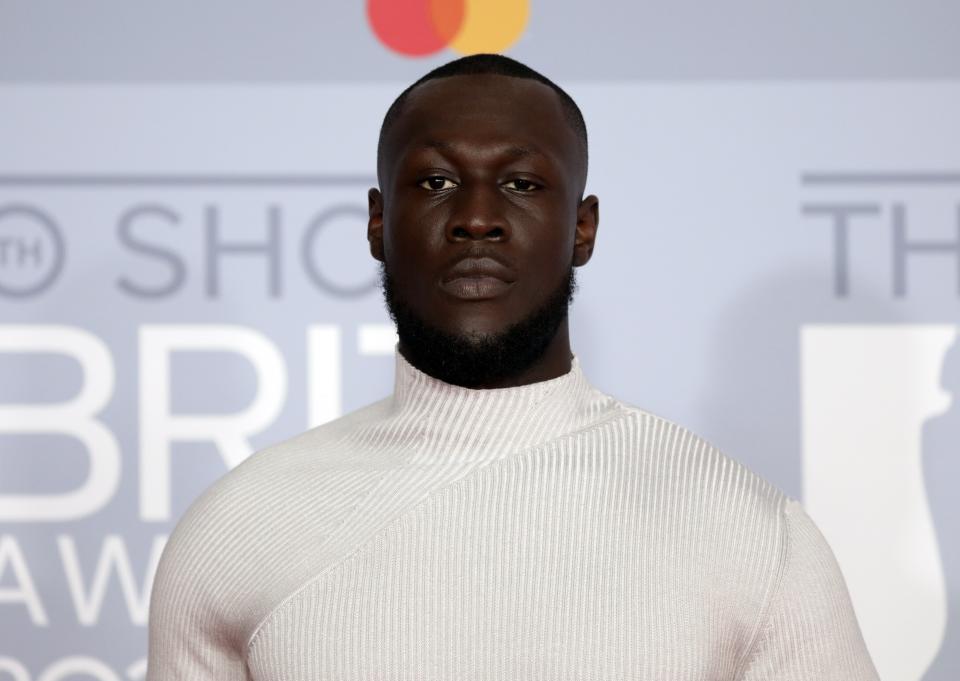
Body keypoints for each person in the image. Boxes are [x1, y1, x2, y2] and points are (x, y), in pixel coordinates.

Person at [146, 53, 880, 680]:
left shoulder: (750, 533)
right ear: (376, 223)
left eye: (522, 184)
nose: (476, 217)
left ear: (583, 228)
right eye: (434, 182)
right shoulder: (238, 528)